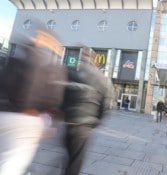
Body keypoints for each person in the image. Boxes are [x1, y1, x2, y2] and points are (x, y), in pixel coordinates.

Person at [0, 26, 66, 175]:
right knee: (12, 164)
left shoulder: (14, 59)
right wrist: (51, 123)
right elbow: (54, 99)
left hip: (3, 114)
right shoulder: (53, 67)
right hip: (28, 120)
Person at [61, 47, 115, 175]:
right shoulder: (101, 78)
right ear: (94, 59)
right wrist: (97, 121)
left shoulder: (71, 72)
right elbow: (106, 103)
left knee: (68, 157)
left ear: (82, 57)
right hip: (84, 126)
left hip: (68, 123)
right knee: (75, 162)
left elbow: (61, 95)